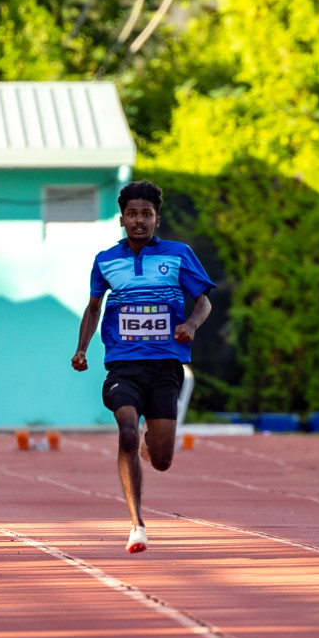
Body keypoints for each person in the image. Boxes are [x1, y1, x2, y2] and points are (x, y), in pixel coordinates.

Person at [71, 181, 214, 554]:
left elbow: (203, 302)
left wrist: (191, 325)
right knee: (127, 432)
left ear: (156, 219)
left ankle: (153, 443)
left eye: (146, 214)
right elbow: (93, 308)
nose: (139, 220)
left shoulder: (179, 254)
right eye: (133, 214)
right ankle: (137, 526)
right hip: (124, 366)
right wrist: (82, 349)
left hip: (166, 364)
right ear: (122, 219)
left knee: (162, 460)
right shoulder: (106, 260)